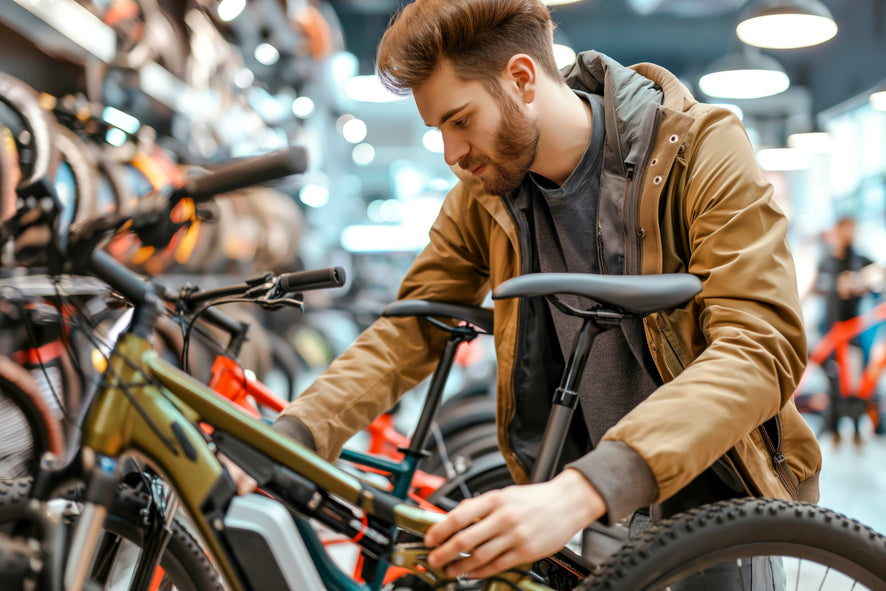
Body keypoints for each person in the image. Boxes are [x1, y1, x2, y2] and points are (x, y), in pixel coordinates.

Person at [273, 0, 822, 585]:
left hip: (709, 501)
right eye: (438, 131)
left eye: (460, 120)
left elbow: (760, 345)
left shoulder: (698, 148)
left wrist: (585, 488)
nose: (451, 154)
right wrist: (293, 435)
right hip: (594, 506)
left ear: (521, 80)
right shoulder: (485, 194)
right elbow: (415, 326)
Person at [811, 216, 876, 444]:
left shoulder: (860, 259)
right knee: (833, 381)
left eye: (852, 229)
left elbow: (878, 274)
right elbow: (816, 286)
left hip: (853, 334)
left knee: (855, 383)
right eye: (845, 229)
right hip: (830, 332)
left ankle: (857, 428)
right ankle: (833, 428)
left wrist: (859, 281)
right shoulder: (826, 260)